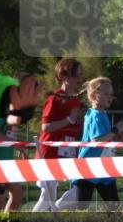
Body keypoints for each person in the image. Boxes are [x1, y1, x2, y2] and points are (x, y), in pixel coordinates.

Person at [60, 77, 123, 206]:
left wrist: (116, 138)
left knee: (114, 205)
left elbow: (105, 138)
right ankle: (59, 209)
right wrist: (116, 129)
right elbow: (97, 140)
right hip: (88, 167)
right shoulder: (96, 115)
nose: (110, 97)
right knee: (82, 206)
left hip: (103, 167)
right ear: (93, 96)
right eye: (106, 94)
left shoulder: (102, 113)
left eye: (111, 94)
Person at [33, 59, 85, 212]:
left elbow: (73, 128)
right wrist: (69, 119)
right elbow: (46, 127)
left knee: (81, 188)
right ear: (64, 77)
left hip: (66, 152)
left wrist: (79, 122)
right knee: (47, 196)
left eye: (81, 75)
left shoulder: (75, 99)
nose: (80, 79)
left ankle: (54, 211)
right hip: (49, 153)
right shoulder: (55, 98)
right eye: (77, 75)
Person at [0, 72, 38, 211]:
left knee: (17, 195)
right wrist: (17, 145)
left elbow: (8, 135)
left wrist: (19, 146)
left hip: (5, 162)